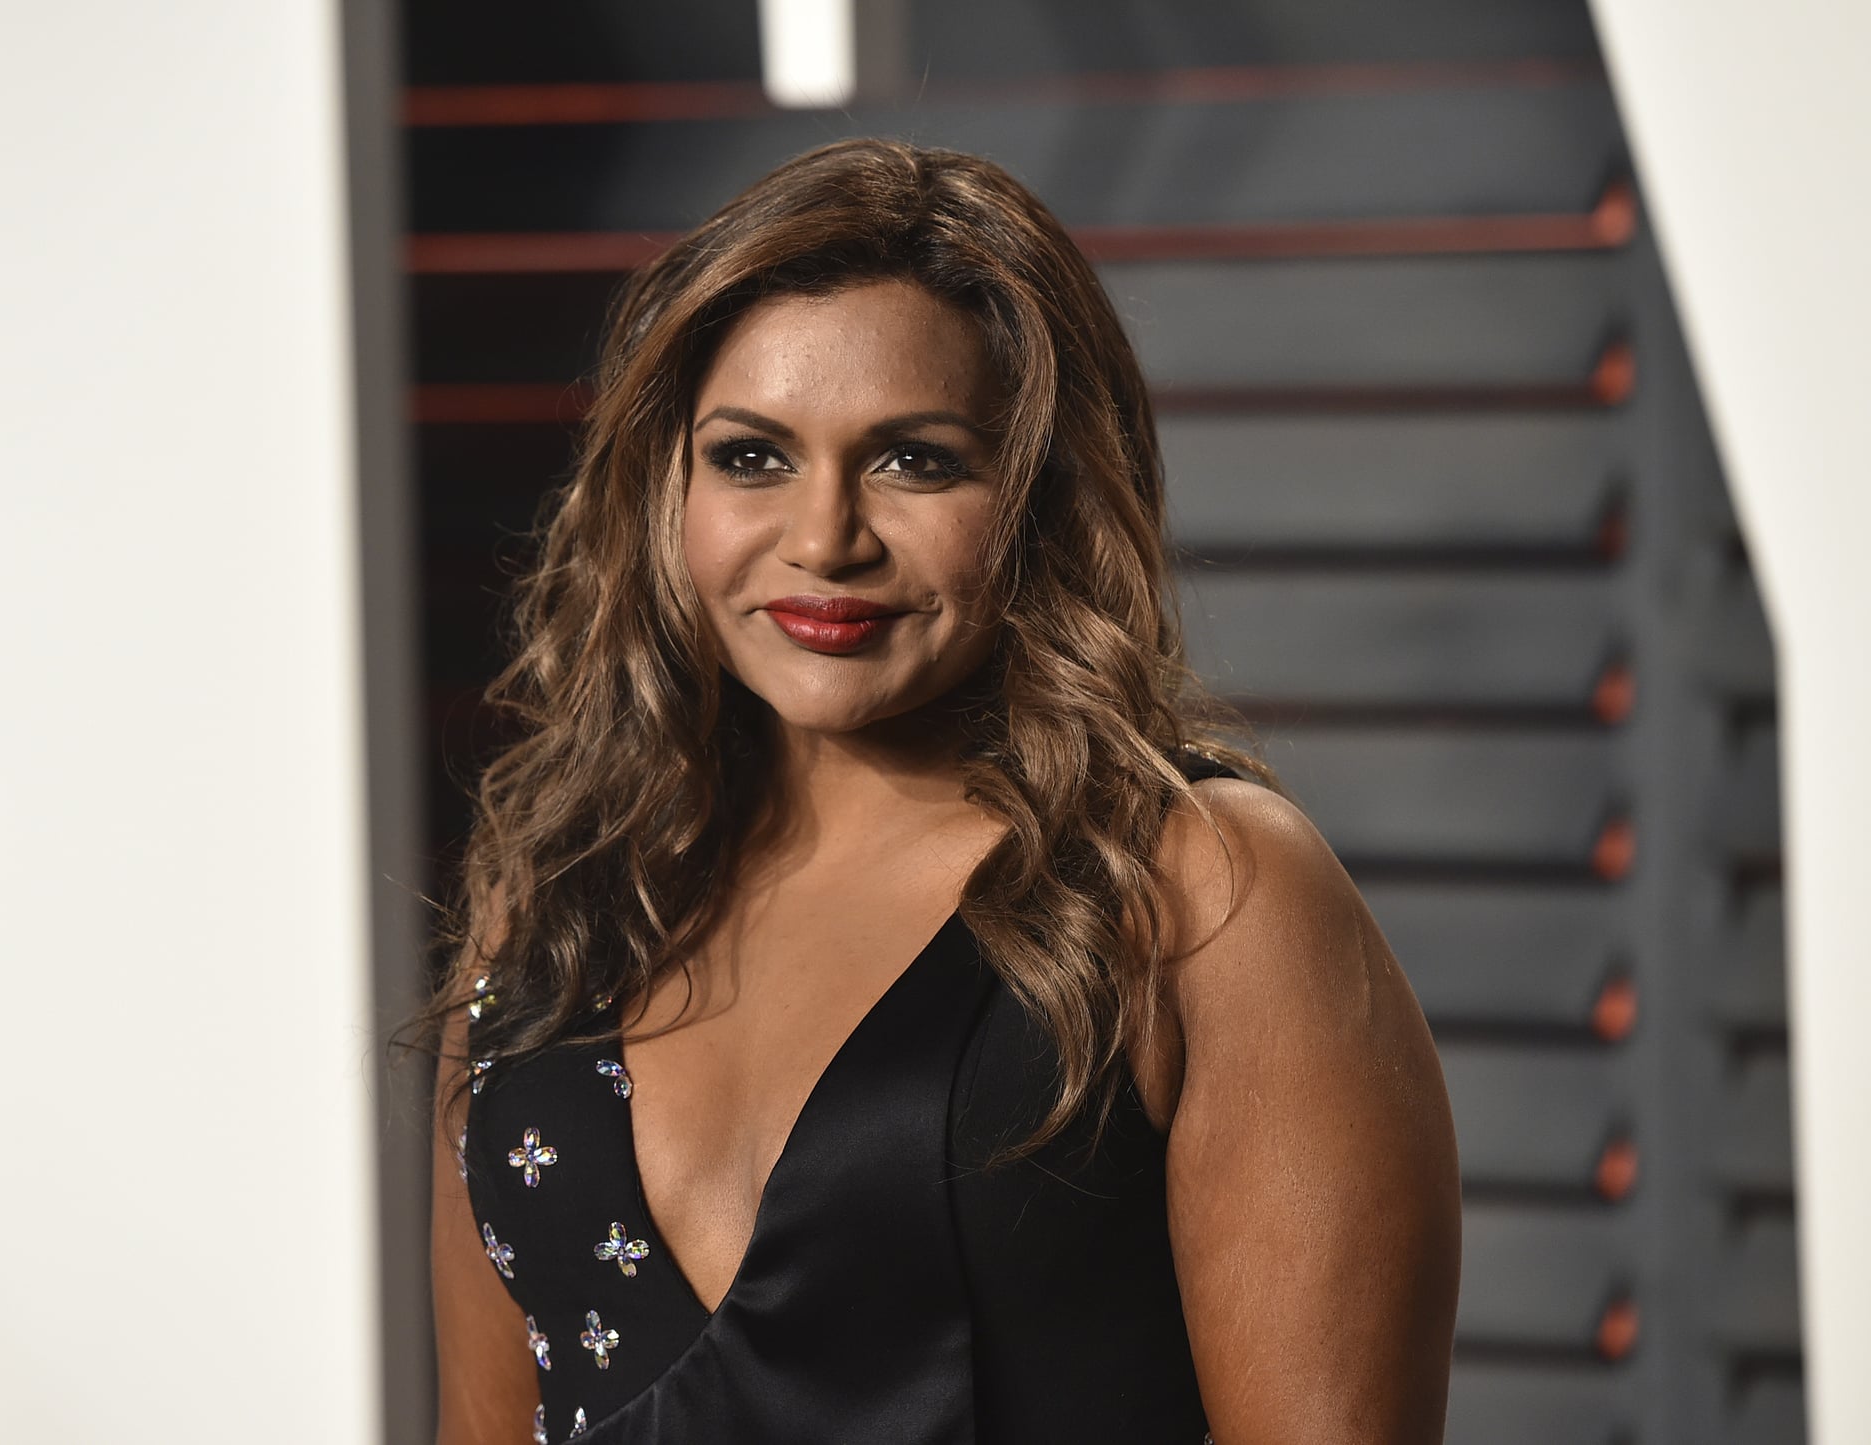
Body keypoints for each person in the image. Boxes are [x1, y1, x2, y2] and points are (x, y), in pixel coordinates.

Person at [422, 137, 1459, 1444]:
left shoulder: (1199, 895)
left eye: (914, 459)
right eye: (752, 456)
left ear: (1040, 493)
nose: (824, 538)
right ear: (664, 483)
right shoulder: (556, 909)